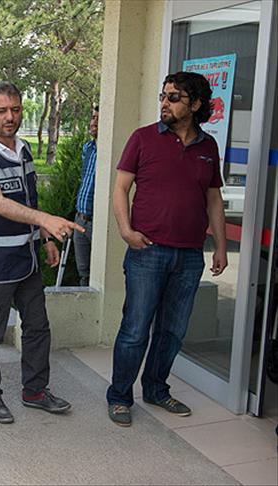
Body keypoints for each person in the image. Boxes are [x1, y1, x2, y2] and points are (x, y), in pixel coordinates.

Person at [0, 81, 83, 424]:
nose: (9, 117)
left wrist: (46, 237)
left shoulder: (23, 149)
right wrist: (46, 219)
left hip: (28, 261)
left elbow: (29, 201)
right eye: (1, 111)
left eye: (15, 109)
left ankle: (35, 391)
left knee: (38, 327)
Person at [107, 71, 228, 427]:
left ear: (196, 104)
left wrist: (220, 247)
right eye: (163, 95)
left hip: (189, 255)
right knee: (135, 329)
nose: (165, 102)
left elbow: (214, 199)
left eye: (174, 97)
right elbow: (120, 188)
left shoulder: (208, 148)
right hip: (148, 251)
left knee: (172, 331)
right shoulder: (143, 138)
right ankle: (119, 396)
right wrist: (126, 231)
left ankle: (157, 389)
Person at [73, 106, 99, 286]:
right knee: (83, 273)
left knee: (98, 275)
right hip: (80, 219)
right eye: (93, 117)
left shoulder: (109, 151)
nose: (94, 123)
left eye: (99, 119)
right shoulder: (88, 148)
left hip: (97, 223)